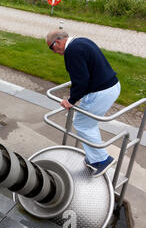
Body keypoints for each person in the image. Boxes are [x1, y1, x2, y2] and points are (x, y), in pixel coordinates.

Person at [46, 30, 121, 177]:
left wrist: (70, 101)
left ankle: (102, 160)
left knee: (82, 124)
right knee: (88, 123)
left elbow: (81, 81)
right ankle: (94, 158)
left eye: (51, 47)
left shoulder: (72, 52)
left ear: (58, 42)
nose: (54, 52)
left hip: (100, 92)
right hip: (112, 86)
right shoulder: (81, 41)